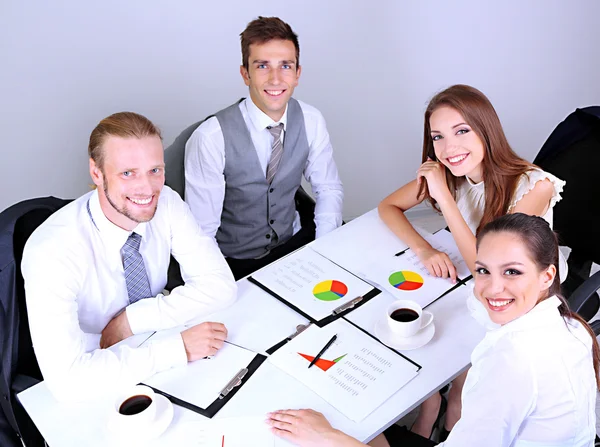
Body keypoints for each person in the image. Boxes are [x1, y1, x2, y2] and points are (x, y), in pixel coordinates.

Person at [267, 213, 599, 446]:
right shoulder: (567, 324)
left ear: (546, 275)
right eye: (483, 270)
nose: (493, 287)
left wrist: (326, 437)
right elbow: (482, 301)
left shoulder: (515, 362)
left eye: (512, 272)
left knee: (353, 429)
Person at [377, 84, 566, 437]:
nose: (450, 149)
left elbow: (487, 265)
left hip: (517, 296)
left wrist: (444, 199)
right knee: (413, 315)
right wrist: (425, 249)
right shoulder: (449, 171)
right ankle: (433, 400)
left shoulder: (535, 186)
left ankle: (456, 399)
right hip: (473, 281)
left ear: (486, 129)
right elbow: (388, 207)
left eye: (462, 131)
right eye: (438, 137)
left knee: (446, 328)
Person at [21, 112, 237, 402]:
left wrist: (130, 321)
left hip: (156, 337)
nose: (147, 189)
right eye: (128, 173)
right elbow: (68, 383)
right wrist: (177, 349)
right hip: (99, 367)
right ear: (97, 173)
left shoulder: (167, 202)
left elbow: (221, 286)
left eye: (155, 170)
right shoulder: (51, 252)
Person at [184, 16, 344, 280]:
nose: (275, 78)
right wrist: (218, 284)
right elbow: (203, 233)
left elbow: (328, 188)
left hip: (296, 241)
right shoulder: (210, 138)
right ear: (245, 73)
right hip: (237, 262)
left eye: (285, 66)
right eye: (262, 66)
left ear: (297, 74)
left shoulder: (312, 120)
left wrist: (323, 247)